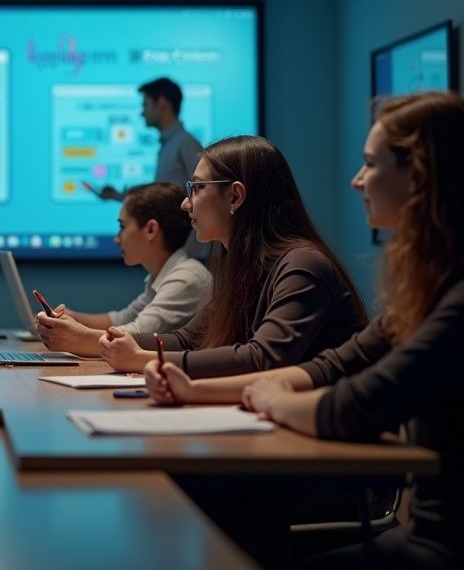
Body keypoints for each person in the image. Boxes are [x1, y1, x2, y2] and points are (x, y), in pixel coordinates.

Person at [144, 92, 464, 569]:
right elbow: (331, 367)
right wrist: (194, 389)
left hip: (439, 546)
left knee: (216, 497)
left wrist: (271, 397)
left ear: (417, 176)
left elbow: (351, 403)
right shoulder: (429, 290)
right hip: (426, 533)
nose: (357, 179)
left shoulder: (448, 298)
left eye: (370, 163)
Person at [85, 135, 368, 378]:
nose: (185, 203)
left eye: (196, 188)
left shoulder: (304, 265)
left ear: (234, 197)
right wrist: (116, 341)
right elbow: (187, 340)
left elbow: (262, 359)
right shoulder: (245, 268)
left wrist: (145, 359)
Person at [37, 182, 210, 357]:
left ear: (151, 229)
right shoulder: (167, 274)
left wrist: (76, 337)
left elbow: (136, 334)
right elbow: (122, 319)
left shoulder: (187, 278)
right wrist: (71, 317)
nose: (116, 239)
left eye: (122, 226)